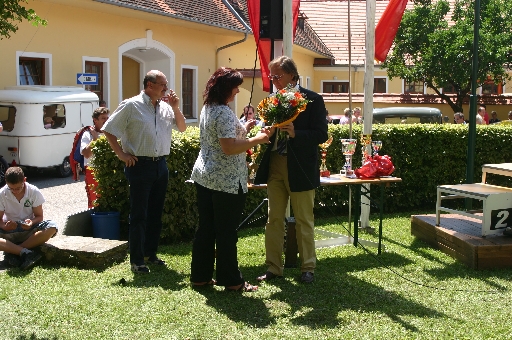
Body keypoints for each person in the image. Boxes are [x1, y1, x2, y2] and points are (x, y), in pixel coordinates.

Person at [190, 67, 270, 292]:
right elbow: (228, 147)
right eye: (235, 86)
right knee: (226, 232)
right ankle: (232, 281)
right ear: (226, 88)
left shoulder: (209, 108)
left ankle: (200, 277)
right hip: (226, 181)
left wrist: (243, 128)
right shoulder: (224, 112)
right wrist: (257, 139)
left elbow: (223, 137)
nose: (237, 90)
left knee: (206, 229)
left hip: (205, 177)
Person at [102, 70, 186, 274]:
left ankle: (150, 253)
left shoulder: (166, 107)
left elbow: (182, 128)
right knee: (139, 214)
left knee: (156, 213)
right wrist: (122, 155)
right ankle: (137, 260)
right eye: (162, 84)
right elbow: (109, 129)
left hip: (161, 165)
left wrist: (176, 107)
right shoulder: (131, 105)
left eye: (166, 84)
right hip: (139, 165)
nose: (166, 88)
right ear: (149, 85)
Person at [254, 56, 328, 284]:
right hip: (276, 163)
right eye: (271, 76)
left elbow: (321, 134)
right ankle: (274, 268)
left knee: (304, 219)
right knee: (274, 219)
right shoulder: (272, 100)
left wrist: (296, 133)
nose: (273, 80)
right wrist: (266, 133)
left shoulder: (313, 99)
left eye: (277, 76)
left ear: (292, 75)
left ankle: (308, 268)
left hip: (300, 167)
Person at [0, 167, 57, 270]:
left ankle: (15, 251)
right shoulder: (2, 193)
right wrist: (5, 226)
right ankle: (25, 252)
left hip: (29, 230)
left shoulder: (34, 191)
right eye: (11, 188)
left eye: (18, 188)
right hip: (9, 232)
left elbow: (39, 217)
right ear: (6, 182)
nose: (15, 191)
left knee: (52, 227)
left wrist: (31, 222)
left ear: (24, 180)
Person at [80, 107, 110, 208]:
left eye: (107, 118)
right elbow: (86, 153)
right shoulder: (87, 134)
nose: (106, 120)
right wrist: (95, 139)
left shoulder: (110, 133)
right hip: (92, 172)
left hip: (108, 171)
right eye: (103, 118)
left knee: (110, 200)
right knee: (95, 202)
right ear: (95, 120)